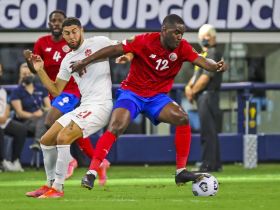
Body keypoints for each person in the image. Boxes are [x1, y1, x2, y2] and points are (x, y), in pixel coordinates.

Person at [70, 14, 226, 190]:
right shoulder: (144, 40)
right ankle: (91, 172)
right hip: (132, 93)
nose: (179, 37)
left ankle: (181, 171)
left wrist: (215, 66)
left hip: (157, 98)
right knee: (116, 126)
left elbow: (203, 61)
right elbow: (114, 50)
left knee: (182, 118)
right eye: (176, 33)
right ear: (164, 30)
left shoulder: (182, 48)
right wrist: (85, 61)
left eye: (181, 33)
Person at [24, 17, 115, 198]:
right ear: (63, 35)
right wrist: (40, 69)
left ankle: (58, 188)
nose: (71, 36)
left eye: (74, 31)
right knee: (46, 139)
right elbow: (56, 90)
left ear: (81, 30)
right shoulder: (68, 60)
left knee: (63, 137)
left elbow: (124, 47)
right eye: (67, 33)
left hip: (101, 105)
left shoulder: (99, 42)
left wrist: (127, 55)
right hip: (85, 105)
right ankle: (49, 184)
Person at [185, 24, 223, 172]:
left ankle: (208, 164)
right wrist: (189, 87)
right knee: (210, 130)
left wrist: (192, 91)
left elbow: (206, 78)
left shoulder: (213, 52)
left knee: (208, 131)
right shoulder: (204, 55)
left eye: (207, 36)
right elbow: (196, 76)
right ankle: (216, 163)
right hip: (203, 96)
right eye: (202, 36)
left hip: (208, 95)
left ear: (213, 37)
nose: (204, 39)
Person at [10, 63, 50, 150]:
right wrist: (34, 115)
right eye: (24, 74)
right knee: (46, 122)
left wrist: (42, 112)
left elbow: (49, 107)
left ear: (33, 74)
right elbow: (20, 113)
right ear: (20, 75)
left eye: (29, 74)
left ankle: (38, 142)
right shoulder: (16, 92)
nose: (27, 76)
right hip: (26, 122)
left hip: (42, 119)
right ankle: (38, 141)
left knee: (48, 116)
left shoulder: (41, 89)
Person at [0, 63, 27, 172]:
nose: (0, 73)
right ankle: (1, 162)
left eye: (0, 71)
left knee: (21, 129)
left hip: (3, 121)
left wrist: (5, 115)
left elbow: (7, 105)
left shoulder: (2, 90)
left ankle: (14, 161)